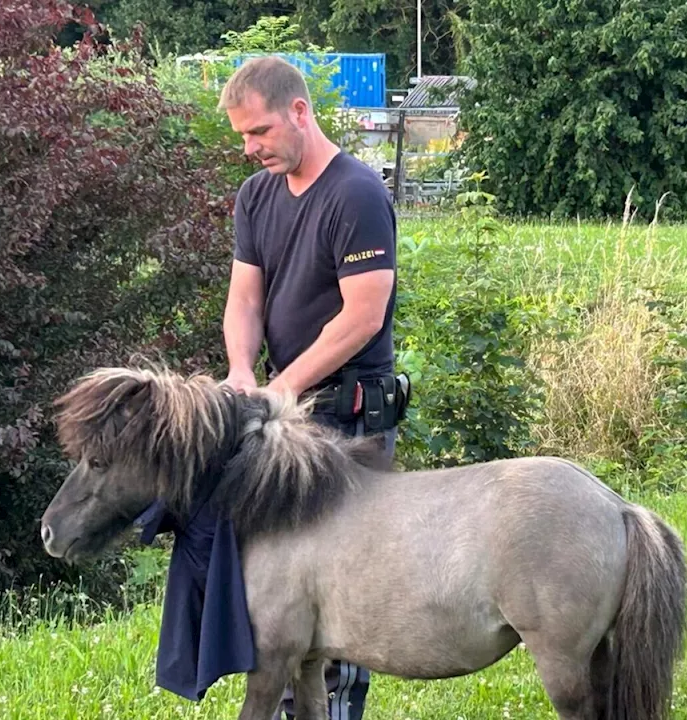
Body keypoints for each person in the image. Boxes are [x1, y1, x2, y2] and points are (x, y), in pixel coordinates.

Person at [218, 54, 405, 720]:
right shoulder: (256, 196)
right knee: (281, 594)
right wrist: (243, 369)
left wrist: (282, 387)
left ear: (300, 112)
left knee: (344, 603)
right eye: (243, 136)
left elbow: (362, 317)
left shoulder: (355, 194)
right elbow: (244, 299)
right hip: (284, 415)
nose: (251, 148)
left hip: (348, 418)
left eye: (260, 132)